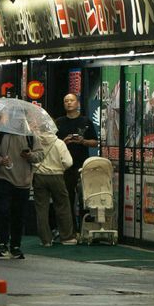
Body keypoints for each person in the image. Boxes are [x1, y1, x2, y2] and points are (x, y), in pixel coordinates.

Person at [0, 129, 37, 259]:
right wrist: (0, 160)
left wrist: (30, 155)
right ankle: (2, 244)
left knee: (18, 215)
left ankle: (15, 246)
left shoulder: (30, 136)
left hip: (23, 181)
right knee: (3, 211)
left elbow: (40, 155)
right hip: (3, 179)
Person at [54, 93, 97, 228]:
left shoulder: (85, 121)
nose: (69, 103)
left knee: (85, 198)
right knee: (67, 198)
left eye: (71, 100)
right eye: (66, 100)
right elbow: (52, 143)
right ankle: (70, 228)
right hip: (65, 166)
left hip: (82, 165)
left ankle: (84, 228)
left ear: (77, 103)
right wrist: (63, 142)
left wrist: (83, 141)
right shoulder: (59, 122)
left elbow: (95, 142)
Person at [30, 131, 77, 246]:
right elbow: (68, 162)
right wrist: (61, 168)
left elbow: (31, 158)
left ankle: (45, 240)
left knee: (41, 208)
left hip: (39, 176)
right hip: (57, 176)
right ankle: (66, 237)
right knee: (63, 206)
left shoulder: (35, 143)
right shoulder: (59, 143)